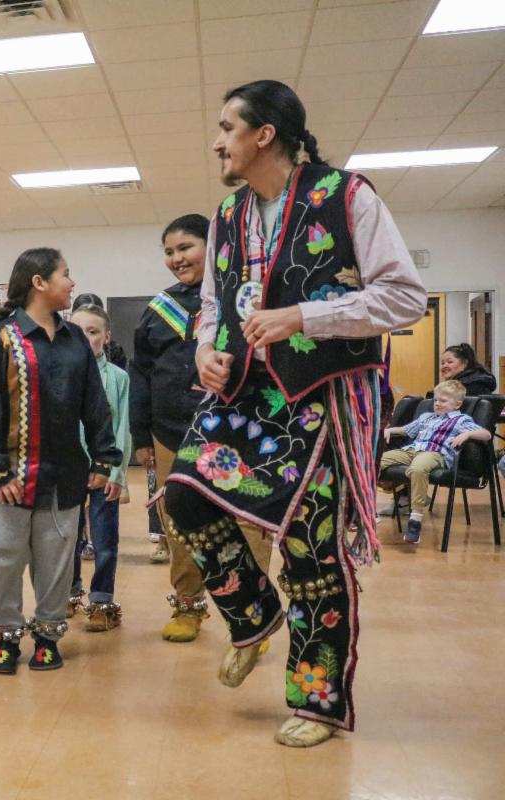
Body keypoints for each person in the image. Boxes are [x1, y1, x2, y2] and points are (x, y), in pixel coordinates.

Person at [161, 80, 427, 746]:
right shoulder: (226, 215)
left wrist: (305, 316)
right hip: (243, 394)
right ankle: (253, 615)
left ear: (265, 135)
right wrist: (204, 350)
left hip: (320, 396)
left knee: (311, 548)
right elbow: (214, 305)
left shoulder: (346, 196)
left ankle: (317, 702)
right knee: (184, 494)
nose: (217, 142)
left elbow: (405, 298)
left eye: (227, 128)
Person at [0, 248, 123, 674]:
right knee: (4, 559)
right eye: (65, 274)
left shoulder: (74, 340)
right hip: (7, 480)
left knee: (56, 561)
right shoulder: (1, 338)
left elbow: (95, 405)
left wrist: (104, 458)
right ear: (39, 282)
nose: (72, 283)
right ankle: (6, 637)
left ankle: (48, 637)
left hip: (63, 476)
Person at [130, 214, 274, 643]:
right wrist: (141, 435)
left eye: (185, 247)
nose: (177, 258)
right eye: (169, 251)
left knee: (246, 518)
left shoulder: (244, 297)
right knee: (179, 522)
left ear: (211, 246)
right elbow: (141, 374)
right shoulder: (158, 309)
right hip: (172, 432)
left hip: (238, 431)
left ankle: (252, 612)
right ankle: (188, 605)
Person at [67, 303, 131, 632]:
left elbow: (123, 428)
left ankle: (102, 599)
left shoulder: (118, 378)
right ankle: (69, 591)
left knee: (105, 540)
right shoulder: (61, 374)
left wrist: (116, 473)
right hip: (68, 470)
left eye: (92, 332)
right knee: (67, 538)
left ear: (106, 337)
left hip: (105, 471)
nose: (85, 338)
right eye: (77, 331)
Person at [380, 379, 490, 543]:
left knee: (417, 469)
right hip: (412, 450)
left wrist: (468, 434)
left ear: (457, 404)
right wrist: (389, 430)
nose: (437, 404)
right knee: (376, 462)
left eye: (443, 401)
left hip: (435, 453)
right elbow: (405, 430)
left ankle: (415, 520)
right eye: (436, 400)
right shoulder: (427, 417)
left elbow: (486, 434)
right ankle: (362, 508)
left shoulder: (461, 420)